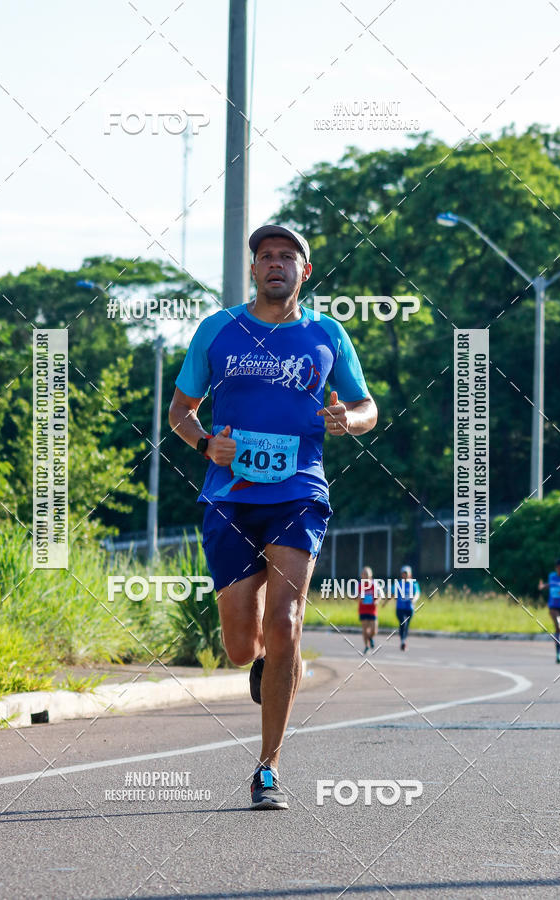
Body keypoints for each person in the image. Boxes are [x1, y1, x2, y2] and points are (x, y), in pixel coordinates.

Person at [169, 223, 377, 809]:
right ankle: (263, 661)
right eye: (266, 256)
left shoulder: (326, 334)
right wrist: (206, 441)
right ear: (253, 270)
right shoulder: (218, 330)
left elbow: (367, 406)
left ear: (304, 272)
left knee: (287, 621)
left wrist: (350, 422)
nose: (276, 264)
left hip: (299, 491)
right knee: (241, 645)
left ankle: (268, 767)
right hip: (229, 495)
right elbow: (179, 412)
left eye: (288, 256)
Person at [388, 564, 420, 651]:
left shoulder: (414, 583)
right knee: (403, 623)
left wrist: (414, 599)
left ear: (410, 574)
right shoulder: (398, 583)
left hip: (409, 608)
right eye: (403, 573)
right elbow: (392, 593)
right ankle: (403, 641)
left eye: (406, 573)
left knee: (406, 625)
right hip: (400, 608)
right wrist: (387, 601)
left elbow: (417, 593)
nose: (405, 575)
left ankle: (404, 640)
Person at [538, 557, 560, 664]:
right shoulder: (552, 576)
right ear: (556, 568)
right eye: (558, 568)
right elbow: (550, 585)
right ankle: (558, 653)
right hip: (553, 606)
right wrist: (543, 586)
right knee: (559, 626)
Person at [358, 565, 378, 653]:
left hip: (372, 610)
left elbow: (380, 595)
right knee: (365, 629)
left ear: (370, 576)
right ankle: (366, 646)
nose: (365, 577)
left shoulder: (375, 584)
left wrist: (377, 601)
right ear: (362, 575)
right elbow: (355, 596)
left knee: (374, 630)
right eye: (364, 575)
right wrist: (359, 598)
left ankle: (370, 637)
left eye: (367, 575)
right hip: (363, 609)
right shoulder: (359, 585)